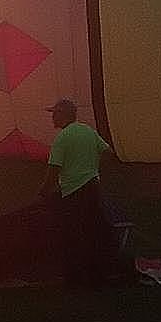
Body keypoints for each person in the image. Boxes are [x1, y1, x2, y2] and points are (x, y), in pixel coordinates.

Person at [38, 98, 114, 288]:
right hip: (92, 187)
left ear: (63, 115)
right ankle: (98, 276)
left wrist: (44, 191)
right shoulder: (88, 131)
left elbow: (54, 169)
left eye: (55, 113)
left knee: (71, 235)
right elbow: (107, 151)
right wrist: (92, 169)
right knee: (92, 231)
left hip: (73, 191)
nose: (52, 117)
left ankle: (74, 279)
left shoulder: (62, 139)